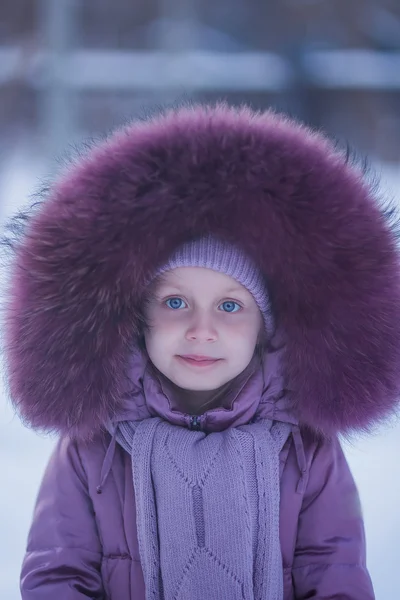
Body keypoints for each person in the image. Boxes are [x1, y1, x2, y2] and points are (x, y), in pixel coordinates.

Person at [3, 103, 400, 600]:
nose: (201, 329)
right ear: (138, 316)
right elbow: (57, 575)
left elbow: (335, 573)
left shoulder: (304, 446)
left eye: (231, 306)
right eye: (175, 302)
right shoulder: (94, 446)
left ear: (266, 329)